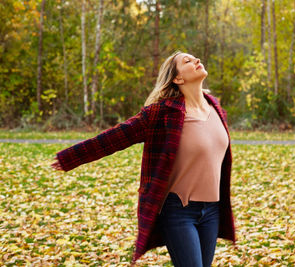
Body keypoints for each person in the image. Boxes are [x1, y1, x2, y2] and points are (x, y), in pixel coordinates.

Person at [51, 50, 236, 267]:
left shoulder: (215, 107)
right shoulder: (162, 113)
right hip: (179, 212)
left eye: (195, 58)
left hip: (212, 211)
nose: (196, 60)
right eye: (187, 61)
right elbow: (115, 137)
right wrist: (69, 157)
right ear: (177, 78)